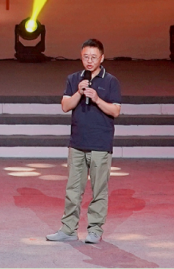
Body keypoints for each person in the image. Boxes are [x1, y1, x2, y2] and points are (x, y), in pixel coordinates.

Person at [46, 38, 122, 245]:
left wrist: (97, 99)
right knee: (73, 190)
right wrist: (78, 93)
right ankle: (68, 229)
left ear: (102, 58)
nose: (89, 61)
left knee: (99, 190)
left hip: (100, 143)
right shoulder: (74, 79)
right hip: (77, 143)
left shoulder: (111, 81)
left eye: (93, 57)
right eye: (86, 57)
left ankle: (95, 230)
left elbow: (115, 110)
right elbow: (65, 106)